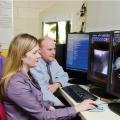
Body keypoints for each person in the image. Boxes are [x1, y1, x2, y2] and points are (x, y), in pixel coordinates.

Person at [0, 33, 96, 120]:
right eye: (35, 53)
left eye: (38, 52)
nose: (39, 56)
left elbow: (36, 99)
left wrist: (48, 105)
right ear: (21, 56)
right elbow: (43, 116)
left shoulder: (27, 74)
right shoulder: (16, 83)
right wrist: (77, 108)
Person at [30, 36, 69, 106]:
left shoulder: (52, 60)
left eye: (54, 49)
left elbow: (64, 76)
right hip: (44, 102)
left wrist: (56, 84)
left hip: (52, 97)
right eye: (50, 49)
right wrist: (62, 105)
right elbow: (43, 93)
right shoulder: (34, 64)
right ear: (39, 50)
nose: (54, 52)